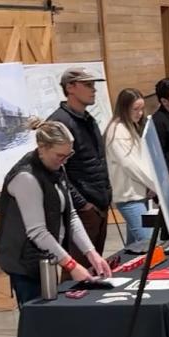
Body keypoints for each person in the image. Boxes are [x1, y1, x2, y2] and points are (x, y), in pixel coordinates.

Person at [0, 118, 113, 306]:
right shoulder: (26, 177)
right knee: (36, 317)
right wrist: (71, 265)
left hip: (46, 258)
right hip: (25, 262)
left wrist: (92, 253)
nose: (64, 160)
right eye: (60, 155)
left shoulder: (58, 167)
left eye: (69, 155)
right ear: (42, 148)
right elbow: (37, 231)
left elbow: (71, 215)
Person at [50, 66, 111, 257]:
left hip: (98, 203)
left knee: (95, 265)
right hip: (83, 209)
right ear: (70, 87)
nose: (93, 90)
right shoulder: (59, 123)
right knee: (78, 269)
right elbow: (56, 171)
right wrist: (82, 203)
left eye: (93, 85)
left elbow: (97, 160)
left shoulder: (88, 119)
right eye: (88, 85)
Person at [103, 88, 156, 245]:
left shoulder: (130, 127)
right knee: (148, 242)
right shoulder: (117, 131)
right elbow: (132, 165)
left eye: (141, 109)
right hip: (130, 198)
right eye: (135, 109)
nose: (140, 113)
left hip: (139, 194)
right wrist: (156, 185)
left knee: (134, 247)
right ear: (124, 108)